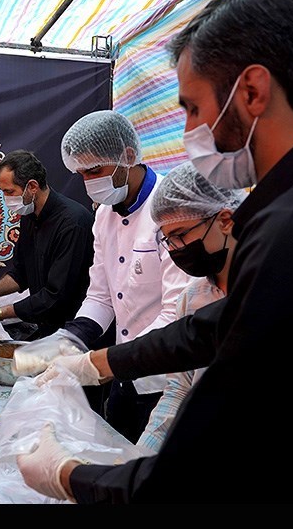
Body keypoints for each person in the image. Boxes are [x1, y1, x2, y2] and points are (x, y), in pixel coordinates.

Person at [15, 0, 293, 503]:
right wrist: (98, 362)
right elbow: (216, 325)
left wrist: (65, 475)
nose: (191, 132)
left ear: (252, 91)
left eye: (194, 109)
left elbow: (197, 473)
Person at [15, 110, 194, 444]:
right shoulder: (104, 218)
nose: (87, 182)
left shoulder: (170, 212)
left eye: (94, 170)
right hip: (124, 376)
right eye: (81, 174)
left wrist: (100, 362)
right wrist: (69, 340)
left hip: (166, 380)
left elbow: (176, 312)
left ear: (127, 156)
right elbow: (100, 296)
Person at [137, 161, 245, 453]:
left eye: (181, 234)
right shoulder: (192, 298)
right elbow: (179, 388)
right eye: (167, 238)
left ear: (225, 219)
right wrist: (139, 457)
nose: (175, 248)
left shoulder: (266, 292)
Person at [0, 149, 95, 340]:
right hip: (45, 326)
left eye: (9, 192)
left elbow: (55, 296)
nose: (6, 199)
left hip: (74, 332)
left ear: (32, 187)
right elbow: (21, 274)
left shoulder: (73, 223)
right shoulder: (29, 216)